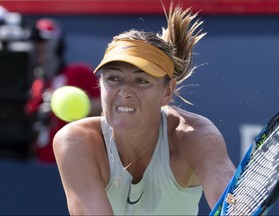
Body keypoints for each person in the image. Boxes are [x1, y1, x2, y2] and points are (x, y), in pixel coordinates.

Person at [53, 4, 235, 215]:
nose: (125, 92)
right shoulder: (76, 141)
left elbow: (230, 200)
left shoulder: (195, 136)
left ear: (167, 91)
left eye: (141, 81)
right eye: (113, 78)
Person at [25, 18, 102, 162]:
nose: (38, 46)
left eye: (43, 41)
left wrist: (70, 108)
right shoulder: (35, 84)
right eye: (35, 41)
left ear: (57, 44)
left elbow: (107, 107)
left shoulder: (78, 72)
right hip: (39, 165)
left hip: (75, 163)